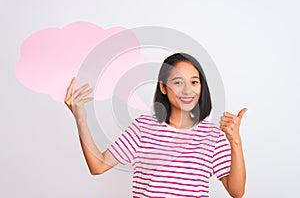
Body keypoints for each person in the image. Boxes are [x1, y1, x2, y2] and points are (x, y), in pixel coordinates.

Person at [65, 53, 247, 198]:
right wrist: (80, 119)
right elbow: (98, 166)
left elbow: (236, 192)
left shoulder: (212, 136)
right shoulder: (143, 127)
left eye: (194, 82)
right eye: (178, 82)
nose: (187, 90)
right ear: (163, 87)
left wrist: (235, 142)